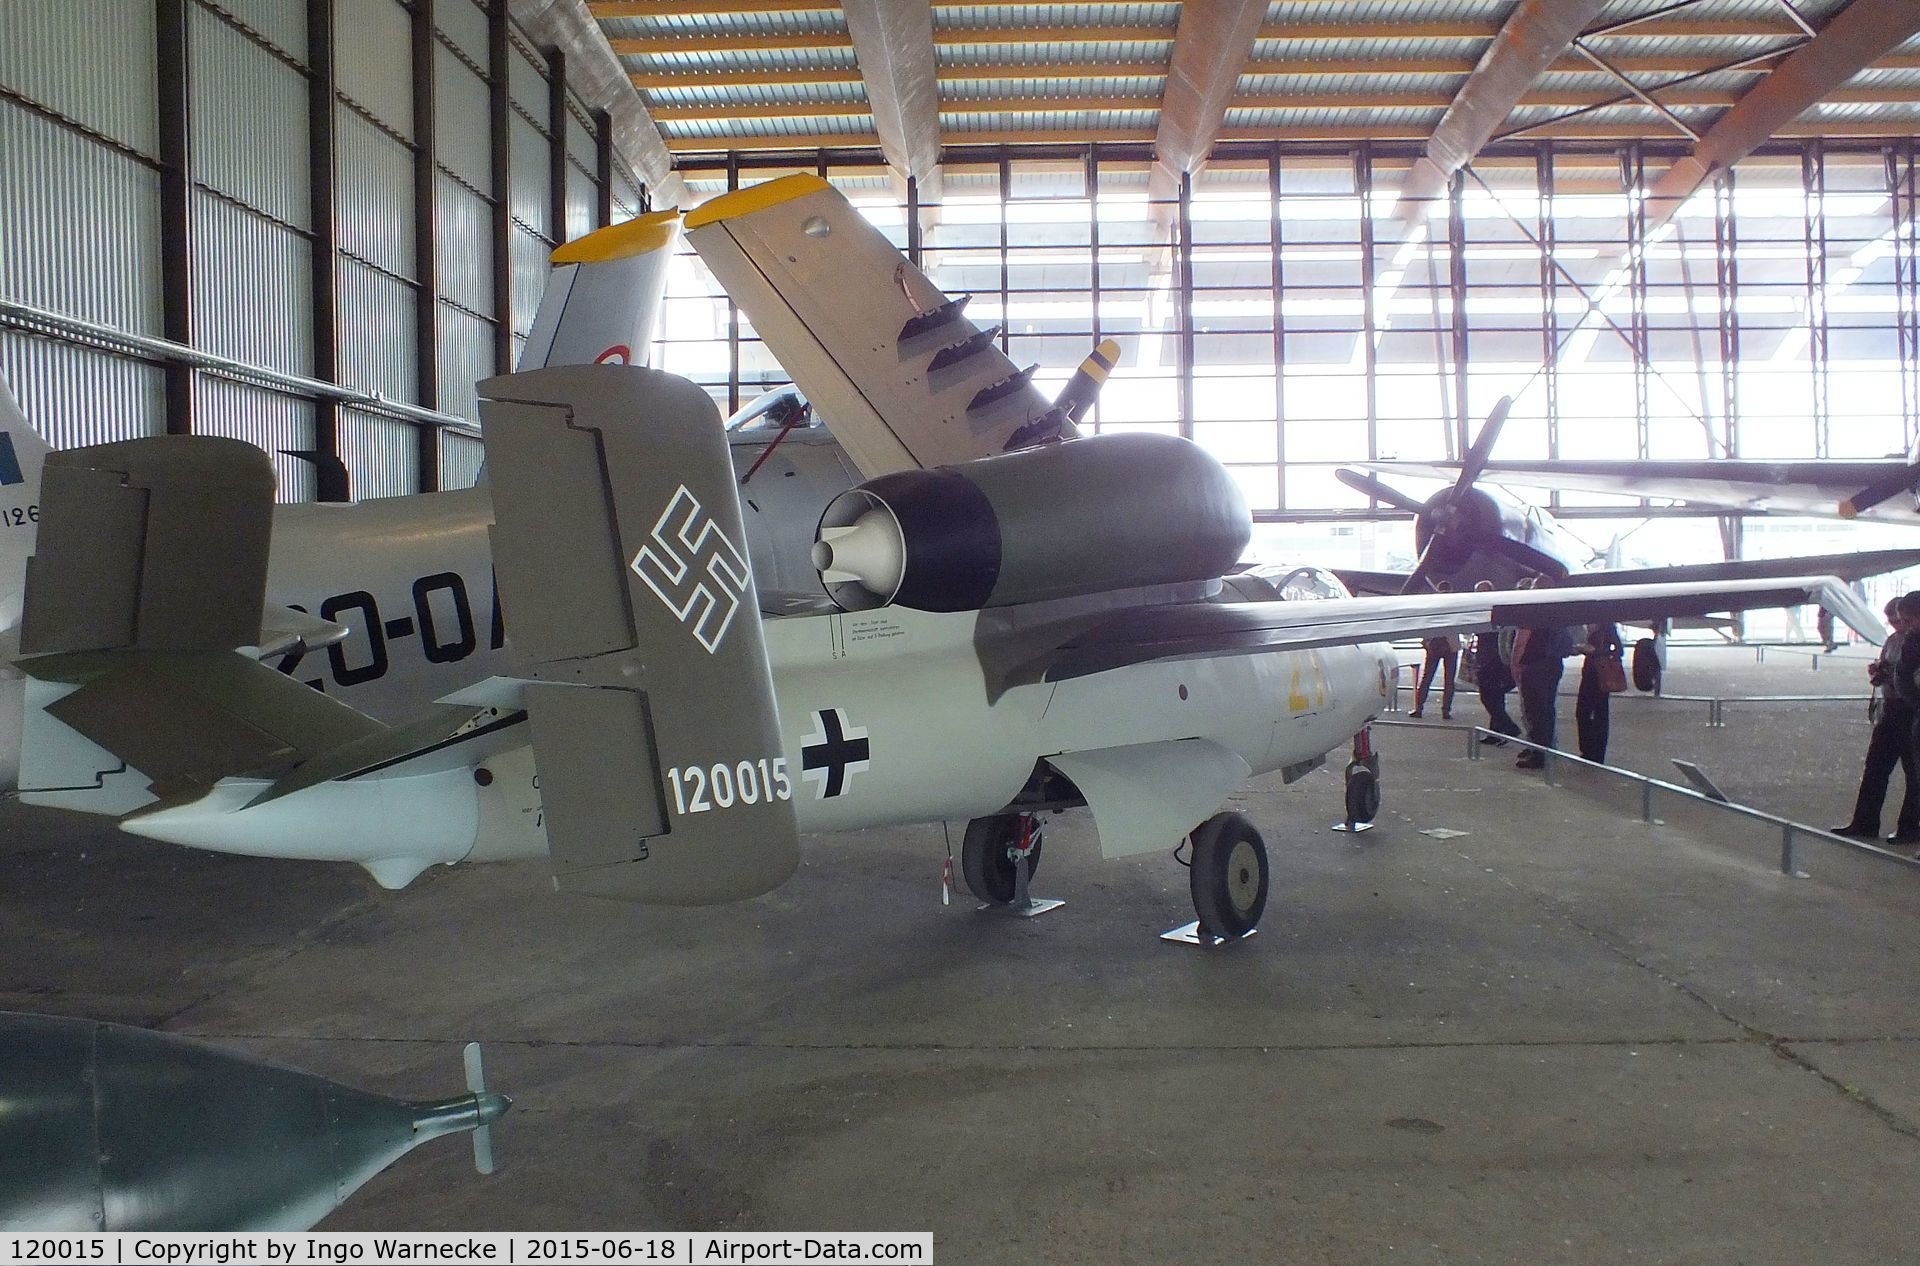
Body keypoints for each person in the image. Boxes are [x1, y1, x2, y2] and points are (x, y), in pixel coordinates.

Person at [1840, 594, 1920, 843]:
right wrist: (1879, 673)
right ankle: (1864, 822)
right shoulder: (1895, 640)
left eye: (1904, 621)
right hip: (1891, 709)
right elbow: (1894, 670)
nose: (1901, 626)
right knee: (1875, 767)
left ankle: (1908, 828)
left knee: (1914, 773)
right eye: (1896, 621)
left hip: (1910, 710)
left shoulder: (1913, 640)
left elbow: (1907, 675)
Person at [1511, 575, 1576, 771]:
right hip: (1553, 664)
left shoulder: (1532, 610)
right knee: (1547, 708)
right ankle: (1545, 748)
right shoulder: (1558, 611)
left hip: (1534, 665)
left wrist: (1514, 663)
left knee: (1534, 710)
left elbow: (1521, 641)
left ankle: (1539, 754)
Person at [1472, 580, 1521, 746]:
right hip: (1489, 657)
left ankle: (1508, 727)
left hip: (1493, 659)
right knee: (1495, 696)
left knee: (1489, 696)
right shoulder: (1488, 609)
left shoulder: (1493, 610)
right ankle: (1496, 731)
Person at [1575, 621, 1624, 763]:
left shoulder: (1607, 626)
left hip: (1601, 675)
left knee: (1599, 714)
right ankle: (1587, 750)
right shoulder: (1588, 626)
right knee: (1584, 713)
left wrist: (1595, 651)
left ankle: (1596, 754)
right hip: (1589, 674)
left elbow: (1619, 650)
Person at [1409, 581, 1458, 719]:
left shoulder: (1433, 604)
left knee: (1427, 678)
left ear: (1438, 589)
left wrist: (1426, 640)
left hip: (1435, 643)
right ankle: (1446, 710)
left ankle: (1419, 708)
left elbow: (1425, 623)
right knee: (1449, 680)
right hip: (1451, 645)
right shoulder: (1456, 605)